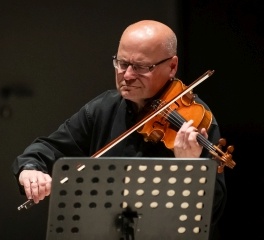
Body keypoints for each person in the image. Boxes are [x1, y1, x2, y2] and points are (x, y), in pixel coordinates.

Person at [12, 20, 226, 239]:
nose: (127, 75)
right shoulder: (103, 109)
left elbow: (210, 214)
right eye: (122, 63)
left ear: (172, 66)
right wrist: (30, 169)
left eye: (142, 67)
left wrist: (188, 168)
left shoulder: (195, 121)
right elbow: (47, 148)